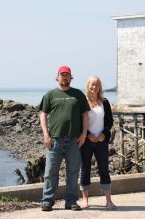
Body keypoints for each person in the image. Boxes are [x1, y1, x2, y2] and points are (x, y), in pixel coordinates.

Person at [39, 66, 90, 211]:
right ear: (58, 77)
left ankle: (71, 201)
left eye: (67, 75)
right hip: (54, 140)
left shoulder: (78, 94)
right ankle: (47, 201)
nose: (65, 77)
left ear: (71, 77)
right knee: (50, 172)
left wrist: (84, 134)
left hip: (74, 140)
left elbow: (85, 115)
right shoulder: (50, 95)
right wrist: (46, 135)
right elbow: (43, 114)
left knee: (73, 172)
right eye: (62, 75)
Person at [80, 75, 116, 209]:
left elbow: (109, 122)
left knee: (104, 170)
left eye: (96, 84)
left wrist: (103, 134)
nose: (94, 87)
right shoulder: (82, 102)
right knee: (85, 169)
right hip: (86, 141)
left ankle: (108, 201)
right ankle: (85, 200)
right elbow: (79, 122)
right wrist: (88, 135)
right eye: (92, 84)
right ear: (88, 86)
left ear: (99, 87)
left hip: (101, 141)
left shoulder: (104, 102)